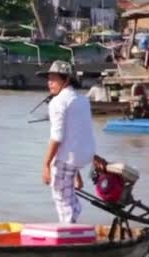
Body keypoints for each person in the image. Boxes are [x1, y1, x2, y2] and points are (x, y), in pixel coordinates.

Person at [36, 60, 96, 223]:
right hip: (83, 155)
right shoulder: (82, 100)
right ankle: (74, 216)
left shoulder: (57, 102)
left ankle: (69, 233)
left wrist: (46, 165)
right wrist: (76, 171)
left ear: (66, 80)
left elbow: (57, 137)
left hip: (69, 158)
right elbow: (77, 134)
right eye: (49, 79)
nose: (50, 83)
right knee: (66, 194)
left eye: (54, 79)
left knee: (61, 199)